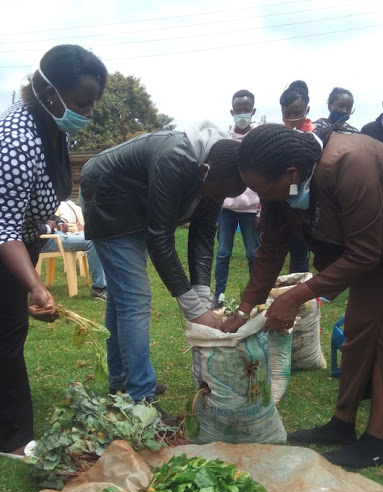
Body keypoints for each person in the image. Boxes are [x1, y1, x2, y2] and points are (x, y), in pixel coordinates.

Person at [223, 124, 383, 468]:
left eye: (264, 189)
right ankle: (342, 424)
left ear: (290, 174)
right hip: (377, 235)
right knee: (359, 325)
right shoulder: (283, 186)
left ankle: (374, 443)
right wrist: (244, 309)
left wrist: (296, 296)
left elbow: (364, 254)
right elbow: (272, 248)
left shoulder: (348, 163)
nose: (262, 196)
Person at [0, 45, 107, 458]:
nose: (90, 111)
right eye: (83, 102)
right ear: (51, 95)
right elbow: (3, 230)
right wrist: (36, 287)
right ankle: (10, 439)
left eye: (93, 102)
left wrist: (42, 226)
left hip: (10, 229)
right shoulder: (18, 140)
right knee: (7, 323)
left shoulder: (52, 124)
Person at [80, 125, 245, 407]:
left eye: (223, 197)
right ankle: (141, 397)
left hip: (137, 203)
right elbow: (160, 238)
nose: (216, 200)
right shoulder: (176, 159)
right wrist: (194, 311)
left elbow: (203, 236)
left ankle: (122, 381)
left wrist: (204, 299)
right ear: (203, 171)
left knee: (121, 299)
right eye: (215, 193)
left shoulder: (221, 174)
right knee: (134, 298)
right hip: (107, 197)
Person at [212, 89, 261, 308]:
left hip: (251, 209)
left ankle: (253, 296)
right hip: (227, 209)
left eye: (246, 110)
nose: (242, 114)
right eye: (238, 110)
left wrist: (260, 210)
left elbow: (264, 176)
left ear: (253, 111)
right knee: (223, 253)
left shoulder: (259, 139)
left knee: (253, 253)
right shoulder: (223, 139)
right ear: (232, 112)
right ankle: (218, 296)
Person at [41, 200, 107, 301]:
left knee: (97, 234)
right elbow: (26, 228)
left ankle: (107, 282)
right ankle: (99, 288)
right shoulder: (21, 203)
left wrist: (60, 223)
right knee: (92, 240)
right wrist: (48, 227)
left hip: (58, 235)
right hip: (46, 241)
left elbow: (51, 216)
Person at [279, 80, 312, 272]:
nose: (292, 118)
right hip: (280, 205)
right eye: (287, 114)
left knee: (300, 254)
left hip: (304, 208)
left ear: (307, 109)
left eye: (297, 113)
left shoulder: (315, 138)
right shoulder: (278, 136)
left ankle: (300, 297)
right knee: (273, 250)